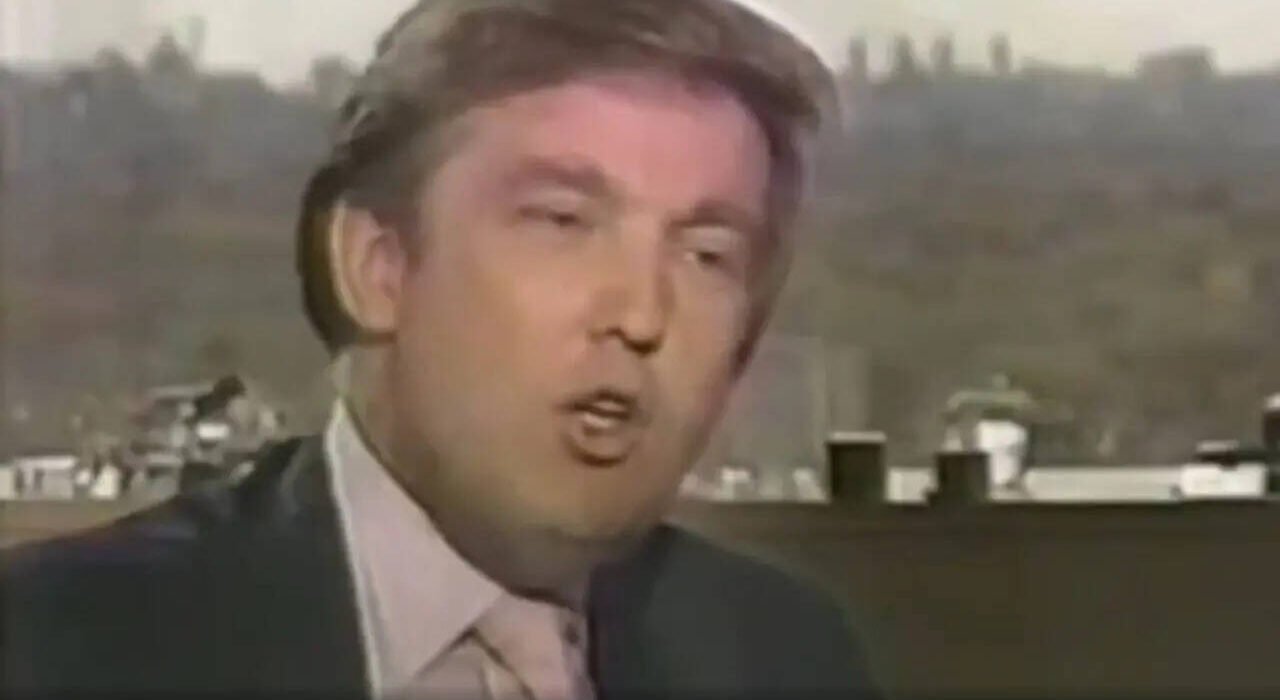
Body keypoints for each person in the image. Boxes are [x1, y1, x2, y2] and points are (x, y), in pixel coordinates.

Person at [1, 0, 881, 697]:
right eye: (562, 221)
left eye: (707, 255)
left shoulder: (781, 656)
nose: (643, 314)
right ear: (377, 268)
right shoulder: (58, 648)